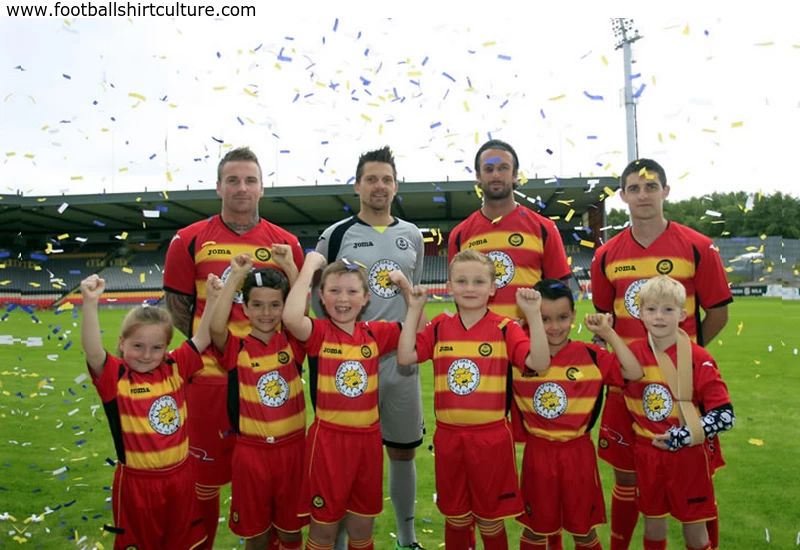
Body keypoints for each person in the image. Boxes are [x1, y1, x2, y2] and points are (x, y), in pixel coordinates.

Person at [164, 146, 305, 548]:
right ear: (218, 187)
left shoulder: (285, 243)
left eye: (249, 180)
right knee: (204, 484)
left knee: (272, 484)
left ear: (262, 187)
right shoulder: (188, 240)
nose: (241, 188)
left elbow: (298, 311)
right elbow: (178, 308)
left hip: (270, 382)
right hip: (209, 380)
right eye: (232, 180)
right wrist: (215, 348)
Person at [590, 158, 733, 550]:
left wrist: (685, 359)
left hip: (681, 388)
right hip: (627, 388)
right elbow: (606, 320)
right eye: (634, 188)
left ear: (666, 191)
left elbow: (717, 313)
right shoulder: (606, 255)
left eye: (650, 187)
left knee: (695, 472)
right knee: (627, 476)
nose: (643, 195)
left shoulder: (698, 246)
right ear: (622, 197)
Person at [448, 139, 571, 550]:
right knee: (481, 457)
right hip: (480, 366)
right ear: (478, 176)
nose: (496, 174)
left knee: (544, 452)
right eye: (488, 168)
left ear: (515, 174)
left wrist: (551, 343)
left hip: (529, 357)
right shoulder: (463, 232)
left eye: (503, 167)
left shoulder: (541, 227)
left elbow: (560, 293)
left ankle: (545, 536)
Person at [397, 249, 550, 550]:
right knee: (455, 518)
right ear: (449, 286)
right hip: (450, 438)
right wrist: (414, 309)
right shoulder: (440, 326)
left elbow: (539, 363)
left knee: (490, 519)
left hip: (491, 439)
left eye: (478, 282)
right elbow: (405, 356)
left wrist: (533, 315)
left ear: (492, 288)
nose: (469, 288)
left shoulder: (506, 328)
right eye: (462, 281)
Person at [312, 146, 425, 550]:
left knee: (402, 450)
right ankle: (340, 541)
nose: (380, 186)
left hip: (399, 361)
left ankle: (407, 538)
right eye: (372, 179)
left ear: (396, 186)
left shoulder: (412, 234)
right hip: (346, 361)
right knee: (343, 455)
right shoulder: (336, 234)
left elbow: (414, 297)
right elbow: (317, 294)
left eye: (387, 179)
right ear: (357, 184)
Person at [79, 273, 219, 550]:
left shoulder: (175, 367)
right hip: (138, 485)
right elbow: (94, 351)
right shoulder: (115, 377)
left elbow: (202, 338)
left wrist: (212, 299)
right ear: (121, 343)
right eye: (137, 346)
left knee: (180, 542)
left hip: (181, 477)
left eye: (156, 348)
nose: (146, 355)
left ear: (167, 348)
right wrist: (90, 302)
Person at [283, 252, 409, 550]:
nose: (343, 298)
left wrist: (406, 289)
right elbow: (290, 318)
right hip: (329, 443)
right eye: (334, 290)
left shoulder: (376, 334)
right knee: (323, 531)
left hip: (367, 442)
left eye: (352, 291)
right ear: (321, 297)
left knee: (362, 529)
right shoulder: (319, 334)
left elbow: (419, 330)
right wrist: (310, 266)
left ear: (365, 298)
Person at [512, 279, 644, 550]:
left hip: (578, 454)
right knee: (536, 531)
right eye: (544, 319)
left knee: (583, 531)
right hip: (539, 454)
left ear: (573, 315)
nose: (555, 326)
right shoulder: (518, 360)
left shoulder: (591, 356)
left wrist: (609, 334)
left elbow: (634, 373)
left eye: (562, 317)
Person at [623, 275, 735, 550]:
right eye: (651, 309)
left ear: (683, 314)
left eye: (668, 309)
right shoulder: (631, 354)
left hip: (687, 455)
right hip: (647, 452)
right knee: (652, 524)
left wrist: (682, 436)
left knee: (695, 532)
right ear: (640, 313)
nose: (659, 317)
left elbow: (724, 415)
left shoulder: (698, 357)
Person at [208, 249, 306, 550]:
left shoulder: (294, 342)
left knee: (291, 533)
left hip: (293, 452)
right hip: (251, 455)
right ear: (245, 309)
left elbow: (301, 313)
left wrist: (290, 265)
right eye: (258, 305)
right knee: (256, 534)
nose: (266, 313)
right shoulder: (236, 349)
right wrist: (235, 277)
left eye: (275, 305)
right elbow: (214, 327)